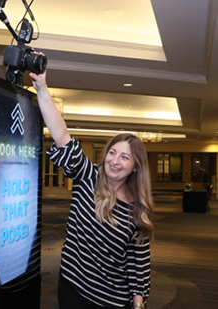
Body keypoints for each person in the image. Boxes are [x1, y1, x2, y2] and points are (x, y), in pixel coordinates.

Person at [30, 69, 154, 309]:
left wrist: (138, 303)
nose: (115, 161)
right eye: (112, 152)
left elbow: (138, 262)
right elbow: (62, 135)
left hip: (112, 299)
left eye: (125, 157)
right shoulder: (88, 178)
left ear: (136, 167)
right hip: (73, 286)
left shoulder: (138, 210)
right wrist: (43, 88)